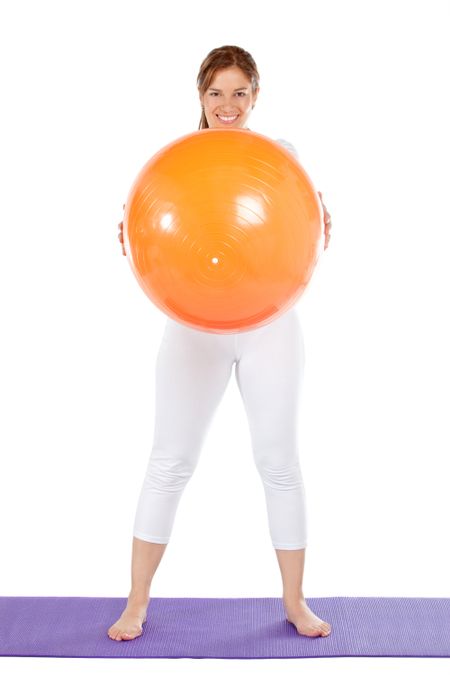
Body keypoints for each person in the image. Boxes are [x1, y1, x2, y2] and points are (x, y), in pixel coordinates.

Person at [108, 45, 332, 642]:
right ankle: (136, 604)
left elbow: (306, 231)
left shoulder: (280, 158)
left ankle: (294, 601)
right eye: (216, 93)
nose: (227, 104)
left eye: (239, 92)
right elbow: (149, 231)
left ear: (255, 96)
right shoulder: (175, 165)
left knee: (278, 462)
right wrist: (130, 232)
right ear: (200, 98)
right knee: (169, 461)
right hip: (193, 328)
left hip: (269, 327)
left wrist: (322, 224)